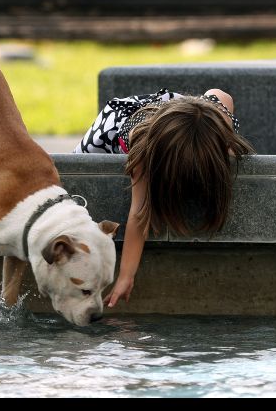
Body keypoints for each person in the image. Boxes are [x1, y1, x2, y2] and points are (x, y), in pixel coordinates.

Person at [73, 88, 255, 308]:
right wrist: (125, 276)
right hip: (113, 130)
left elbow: (221, 93)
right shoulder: (142, 150)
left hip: (175, 117)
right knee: (75, 189)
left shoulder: (219, 117)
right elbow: (139, 213)